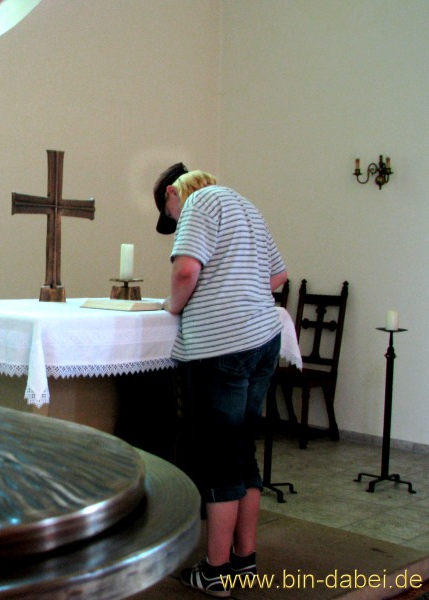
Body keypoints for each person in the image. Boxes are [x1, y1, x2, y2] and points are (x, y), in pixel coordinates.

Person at [154, 167, 288, 597]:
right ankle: (243, 560)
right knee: (241, 450)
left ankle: (215, 571)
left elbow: (185, 272)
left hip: (222, 346)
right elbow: (278, 277)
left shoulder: (198, 201)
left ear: (174, 192)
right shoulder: (245, 205)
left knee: (217, 456)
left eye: (170, 213)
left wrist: (172, 306)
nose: (175, 220)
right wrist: (239, 288)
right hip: (263, 338)